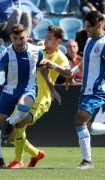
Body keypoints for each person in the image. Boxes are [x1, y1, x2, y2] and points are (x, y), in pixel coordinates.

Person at [4, 25, 72, 169]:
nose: (45, 40)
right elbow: (40, 71)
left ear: (58, 41)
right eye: (45, 37)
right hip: (26, 96)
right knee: (10, 136)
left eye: (49, 38)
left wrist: (52, 65)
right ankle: (36, 153)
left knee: (19, 124)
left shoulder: (60, 57)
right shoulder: (37, 51)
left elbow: (68, 72)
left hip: (41, 100)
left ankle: (18, 161)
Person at [0, 24, 48, 168]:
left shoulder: (36, 51)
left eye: (22, 38)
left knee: (23, 106)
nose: (19, 42)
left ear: (27, 36)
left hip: (28, 90)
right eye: (15, 39)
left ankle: (10, 123)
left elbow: (43, 70)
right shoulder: (6, 53)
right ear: (11, 38)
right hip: (8, 91)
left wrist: (52, 89)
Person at [72, 11, 105, 170]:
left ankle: (87, 161)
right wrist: (71, 72)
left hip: (97, 90)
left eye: (89, 27)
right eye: (85, 26)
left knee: (79, 120)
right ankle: (87, 161)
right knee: (89, 126)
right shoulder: (89, 40)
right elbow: (85, 62)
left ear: (99, 24)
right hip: (86, 89)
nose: (86, 30)